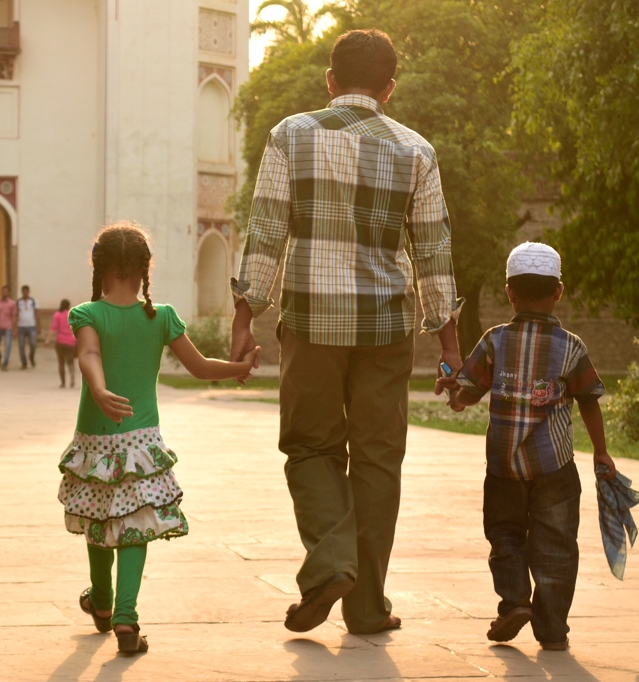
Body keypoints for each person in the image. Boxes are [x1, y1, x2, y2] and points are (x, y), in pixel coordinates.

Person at [230, 29, 463, 635]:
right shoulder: (418, 151)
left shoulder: (291, 135)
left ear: (330, 81)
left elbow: (267, 229)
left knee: (310, 446)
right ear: (389, 88)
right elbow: (434, 251)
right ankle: (367, 605)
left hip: (310, 318)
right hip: (386, 325)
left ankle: (332, 563)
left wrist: (244, 315)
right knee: (379, 459)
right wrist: (448, 344)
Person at [58, 222, 259, 654]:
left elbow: (89, 353)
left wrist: (97, 388)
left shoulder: (87, 314)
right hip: (141, 443)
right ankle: (126, 619)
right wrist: (238, 369)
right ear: (144, 269)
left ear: (101, 268)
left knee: (98, 518)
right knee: (135, 525)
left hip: (95, 440)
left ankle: (104, 602)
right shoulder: (161, 316)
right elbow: (202, 366)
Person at [437, 242, 617, 652]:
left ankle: (515, 601)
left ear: (508, 292)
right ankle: (552, 630)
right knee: (556, 546)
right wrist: (602, 452)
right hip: (555, 466)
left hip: (503, 467)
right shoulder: (572, 346)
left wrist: (454, 389)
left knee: (504, 535)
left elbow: (467, 394)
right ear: (559, 291)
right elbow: (589, 399)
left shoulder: (495, 340)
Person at [48, 298, 77, 388]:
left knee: (61, 362)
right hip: (71, 342)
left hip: (60, 342)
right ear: (68, 306)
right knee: (70, 362)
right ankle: (72, 377)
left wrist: (48, 340)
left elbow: (53, 328)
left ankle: (63, 382)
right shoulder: (73, 314)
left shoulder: (57, 315)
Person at [17, 284, 39, 369]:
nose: (25, 293)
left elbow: (37, 314)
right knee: (21, 346)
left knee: (33, 344)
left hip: (31, 326)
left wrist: (38, 326)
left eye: (26, 292)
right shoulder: (19, 302)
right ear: (22, 292)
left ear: (28, 292)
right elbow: (16, 314)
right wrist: (15, 327)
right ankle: (24, 362)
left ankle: (31, 357)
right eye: (23, 292)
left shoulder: (33, 301)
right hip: (21, 326)